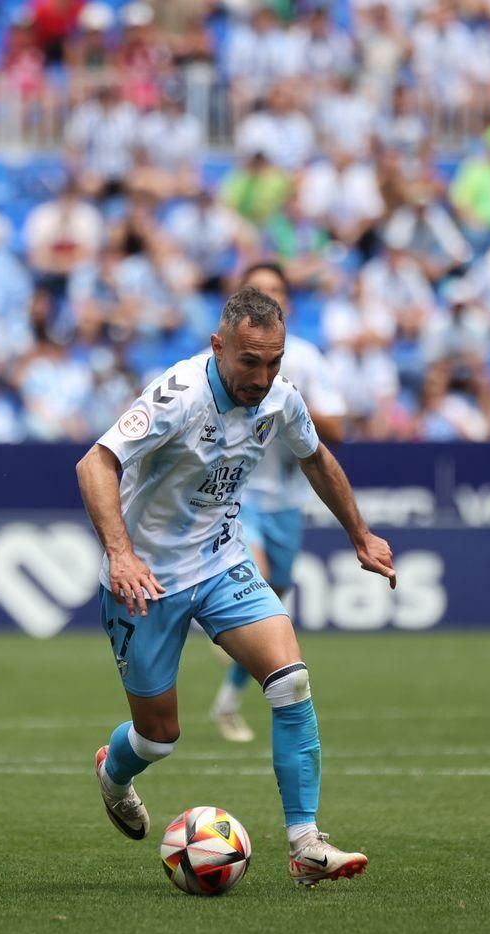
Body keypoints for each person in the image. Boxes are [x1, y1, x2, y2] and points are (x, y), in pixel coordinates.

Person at [77, 286, 393, 886]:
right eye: (250, 361)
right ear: (218, 346)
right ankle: (114, 774)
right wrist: (120, 554)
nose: (262, 376)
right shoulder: (178, 396)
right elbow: (95, 463)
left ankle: (306, 844)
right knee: (158, 737)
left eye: (274, 362)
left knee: (290, 680)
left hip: (222, 561)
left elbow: (315, 457)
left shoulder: (281, 398)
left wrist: (360, 534)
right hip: (146, 580)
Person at [208, 263, 346, 744]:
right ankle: (219, 621)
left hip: (287, 498)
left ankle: (228, 701)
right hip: (235, 495)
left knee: (272, 606)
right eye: (259, 289)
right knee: (257, 581)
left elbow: (336, 430)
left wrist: (288, 403)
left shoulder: (302, 360)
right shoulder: (217, 361)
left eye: (277, 290)